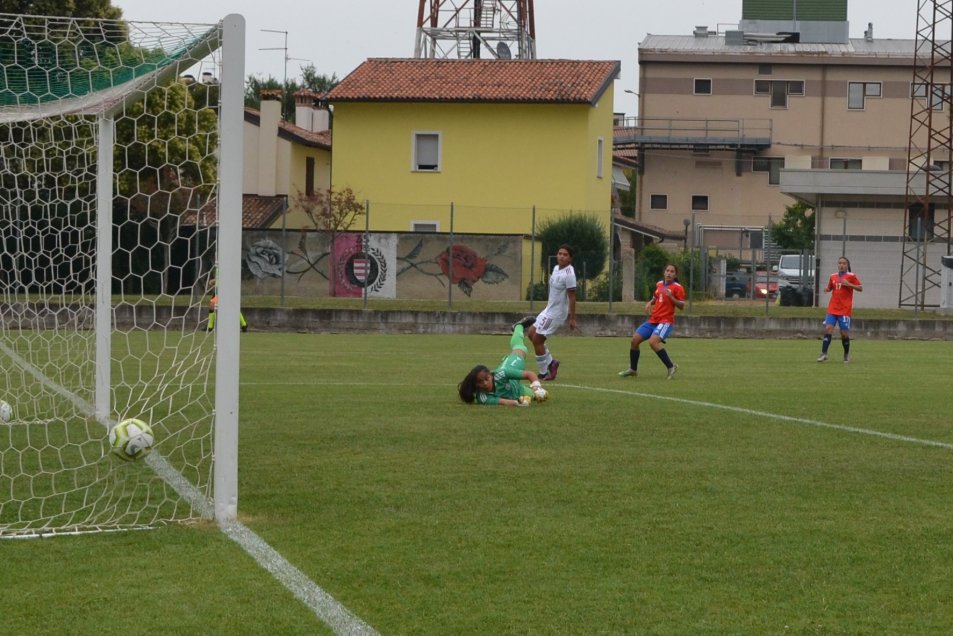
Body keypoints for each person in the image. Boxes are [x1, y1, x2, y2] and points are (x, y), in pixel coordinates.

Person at [518, 244, 577, 382]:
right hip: (548, 309)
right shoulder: (556, 268)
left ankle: (543, 373)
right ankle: (551, 362)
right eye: (560, 253)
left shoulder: (569, 274)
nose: (561, 256)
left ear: (570, 258)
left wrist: (572, 318)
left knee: (538, 340)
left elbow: (572, 297)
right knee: (531, 333)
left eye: (565, 255)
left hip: (556, 313)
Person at [618, 263, 685, 380]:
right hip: (653, 320)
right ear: (664, 272)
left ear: (675, 275)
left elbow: (681, 306)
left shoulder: (678, 287)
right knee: (634, 340)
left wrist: (671, 297)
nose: (669, 273)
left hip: (665, 321)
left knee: (653, 342)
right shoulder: (659, 284)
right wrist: (650, 302)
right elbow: (656, 297)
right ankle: (633, 369)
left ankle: (671, 366)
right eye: (667, 270)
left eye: (672, 271)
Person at [458, 322, 550, 406]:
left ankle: (518, 326)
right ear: (476, 384)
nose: (485, 383)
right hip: (517, 391)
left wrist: (537, 387)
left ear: (490, 375)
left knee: (520, 348)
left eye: (486, 379)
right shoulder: (482, 397)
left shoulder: (501, 373)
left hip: (511, 367)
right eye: (480, 382)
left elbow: (529, 374)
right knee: (538, 397)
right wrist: (519, 402)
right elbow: (502, 402)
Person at [818, 256, 863, 362]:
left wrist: (849, 284)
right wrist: (827, 289)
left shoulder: (851, 276)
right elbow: (831, 287)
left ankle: (846, 354)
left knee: (844, 333)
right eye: (840, 263)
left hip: (844, 310)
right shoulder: (833, 276)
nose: (841, 265)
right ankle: (824, 354)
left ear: (847, 265)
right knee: (828, 329)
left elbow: (860, 288)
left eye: (844, 263)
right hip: (832, 308)